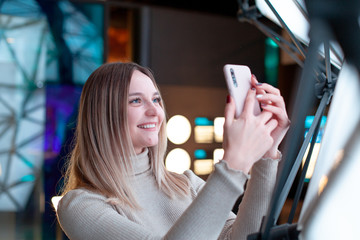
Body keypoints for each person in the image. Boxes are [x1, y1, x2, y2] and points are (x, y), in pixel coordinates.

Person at [56, 62, 290, 240]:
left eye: (156, 99)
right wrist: (233, 166)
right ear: (102, 115)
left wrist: (265, 157)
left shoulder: (185, 183)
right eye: (136, 101)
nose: (155, 111)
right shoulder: (80, 207)